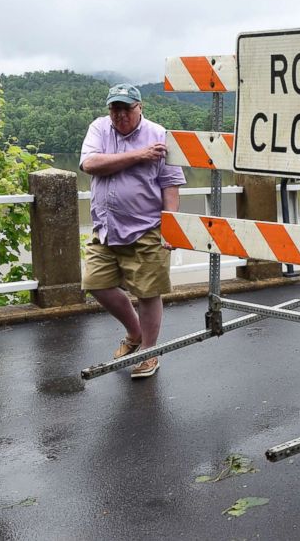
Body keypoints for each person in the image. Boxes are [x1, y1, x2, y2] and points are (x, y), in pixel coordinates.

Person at [80, 83, 186, 379]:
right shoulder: (100, 129)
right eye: (115, 107)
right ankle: (135, 332)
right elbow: (90, 164)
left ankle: (149, 353)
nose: (120, 114)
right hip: (106, 228)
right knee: (95, 282)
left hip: (146, 228)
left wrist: (171, 226)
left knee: (149, 292)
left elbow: (171, 184)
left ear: (140, 107)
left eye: (127, 107)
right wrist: (139, 156)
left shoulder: (160, 135)